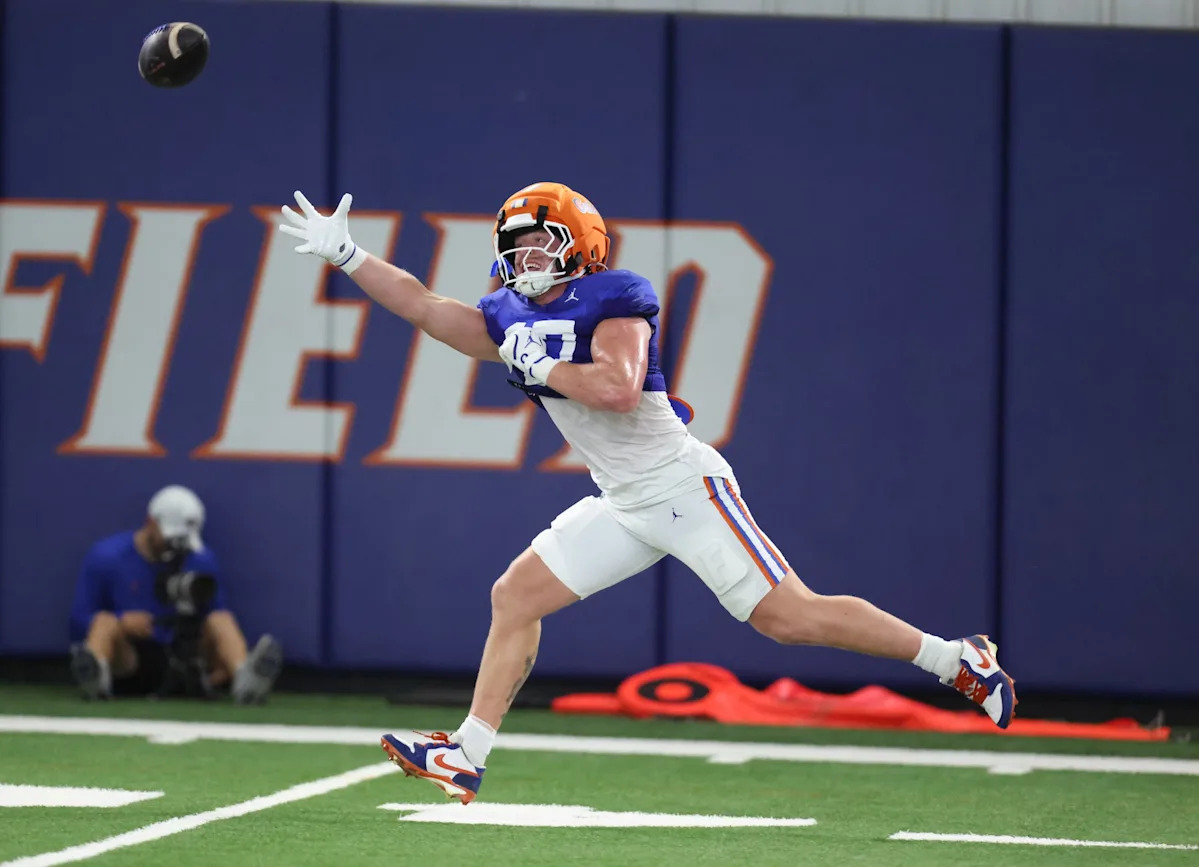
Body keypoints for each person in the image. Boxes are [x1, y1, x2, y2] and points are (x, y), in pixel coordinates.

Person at [278, 182, 1016, 805]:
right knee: (516, 595)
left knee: (790, 618)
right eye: (517, 245)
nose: (524, 258)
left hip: (682, 486)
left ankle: (956, 659)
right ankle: (465, 752)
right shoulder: (510, 313)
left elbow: (618, 388)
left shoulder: (614, 297)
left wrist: (543, 368)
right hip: (623, 497)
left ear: (578, 244)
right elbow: (423, 306)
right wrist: (349, 256)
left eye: (539, 243)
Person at [68, 484, 283, 704]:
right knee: (104, 622)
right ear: (151, 523)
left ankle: (245, 679)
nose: (175, 547)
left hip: (186, 651)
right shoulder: (107, 556)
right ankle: (96, 681)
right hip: (131, 657)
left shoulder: (201, 559)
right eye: (170, 539)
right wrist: (123, 622)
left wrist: (220, 666)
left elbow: (215, 618)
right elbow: (78, 619)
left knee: (221, 618)